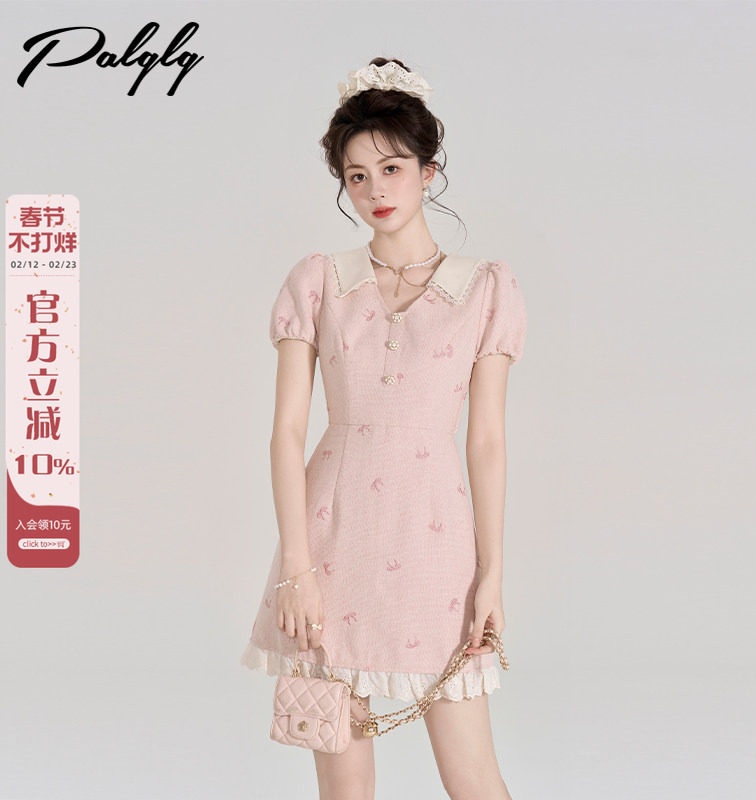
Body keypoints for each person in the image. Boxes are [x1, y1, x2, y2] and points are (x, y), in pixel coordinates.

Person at [241, 57, 527, 800]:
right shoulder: (319, 280)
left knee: (474, 778)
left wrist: (491, 573)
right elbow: (286, 432)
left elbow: (487, 442)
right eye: (356, 176)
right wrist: (296, 570)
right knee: (343, 786)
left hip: (436, 547)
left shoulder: (485, 289)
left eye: (392, 169)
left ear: (429, 171)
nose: (375, 190)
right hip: (328, 546)